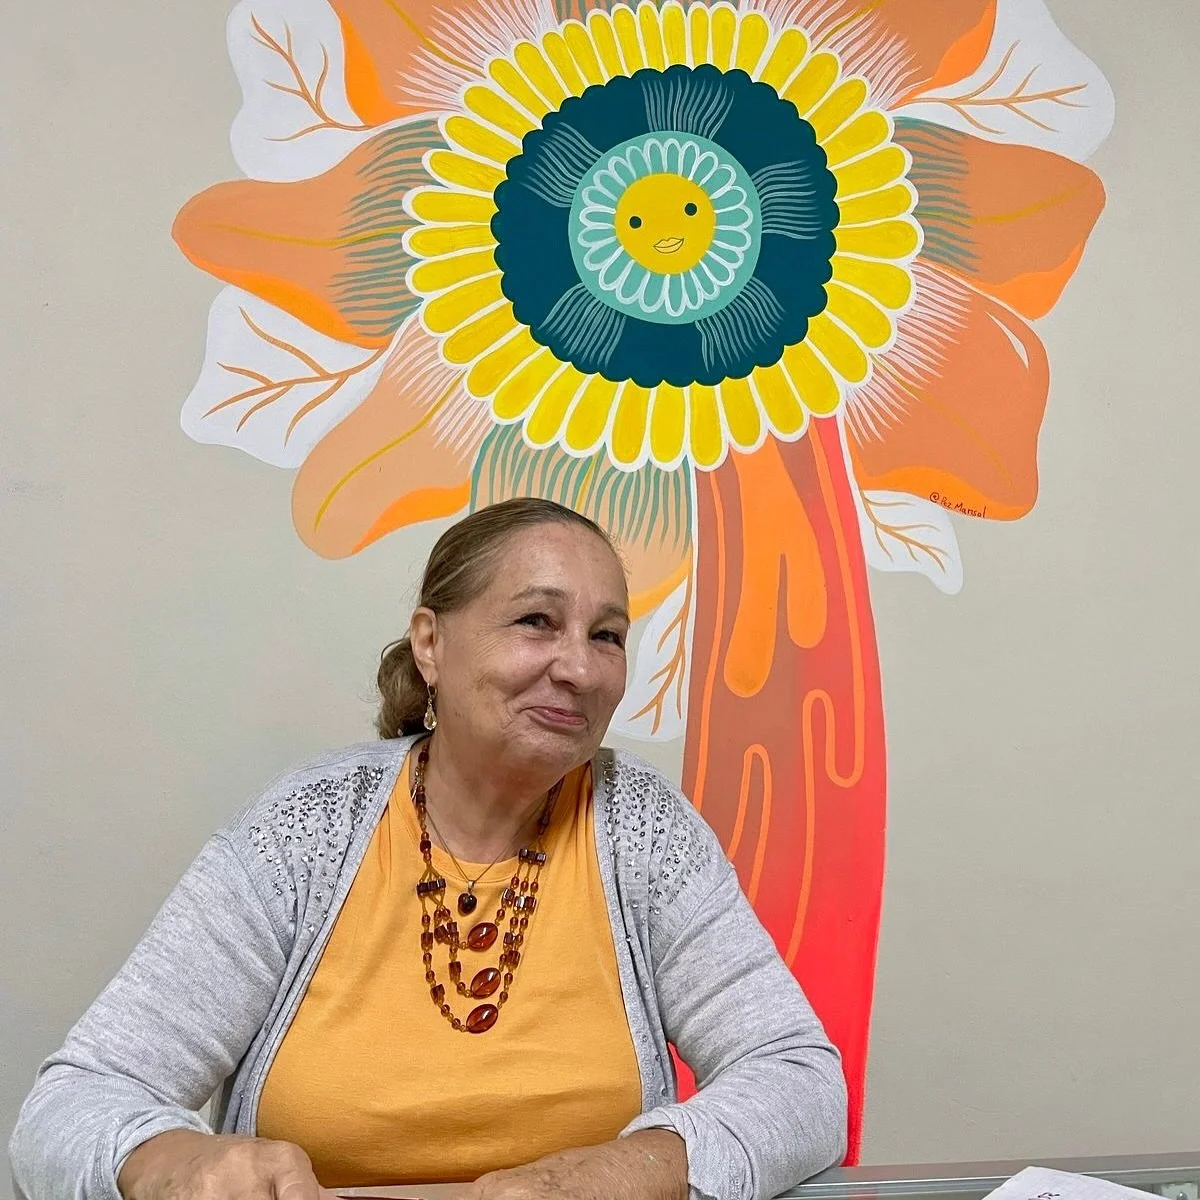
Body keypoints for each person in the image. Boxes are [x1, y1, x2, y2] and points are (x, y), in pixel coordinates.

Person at [9, 498, 847, 1200]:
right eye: (537, 621)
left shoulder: (645, 829)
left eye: (608, 635)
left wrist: (613, 1174)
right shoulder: (304, 831)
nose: (581, 670)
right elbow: (71, 1107)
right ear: (431, 643)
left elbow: (800, 1080)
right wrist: (176, 1164)